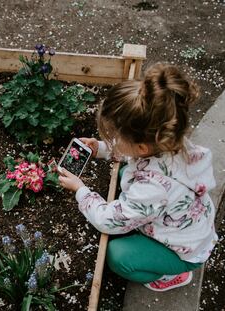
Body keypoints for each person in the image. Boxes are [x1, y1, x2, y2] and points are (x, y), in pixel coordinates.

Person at [58, 63, 217, 292]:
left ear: (142, 147)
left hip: (182, 250)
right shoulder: (172, 143)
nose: (112, 139)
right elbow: (133, 155)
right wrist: (102, 149)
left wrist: (81, 190)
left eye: (115, 136)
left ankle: (172, 275)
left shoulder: (151, 189)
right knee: (125, 173)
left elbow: (108, 221)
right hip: (188, 225)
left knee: (117, 255)